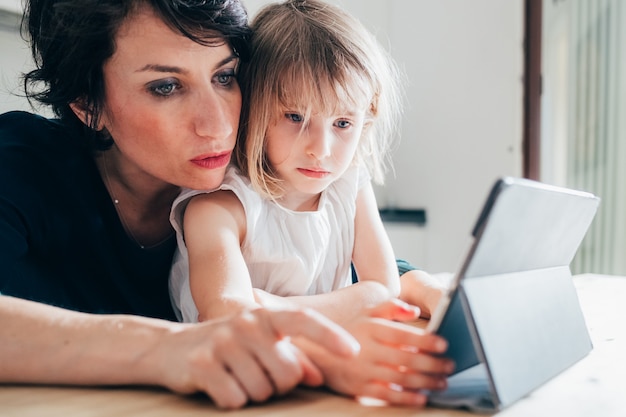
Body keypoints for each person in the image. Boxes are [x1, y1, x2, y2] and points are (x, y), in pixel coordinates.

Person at [0, 0, 452, 409]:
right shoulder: (20, 166)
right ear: (86, 102)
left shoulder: (253, 181)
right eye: (165, 87)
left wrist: (419, 284)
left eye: (224, 76)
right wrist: (175, 347)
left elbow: (327, 262)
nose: (217, 125)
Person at [169, 0, 451, 404]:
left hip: (328, 377)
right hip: (234, 389)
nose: (321, 150)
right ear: (254, 108)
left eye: (342, 123)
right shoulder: (218, 207)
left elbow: (383, 289)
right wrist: (358, 301)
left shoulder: (348, 186)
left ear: (364, 119)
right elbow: (227, 315)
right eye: (295, 117)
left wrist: (271, 304)